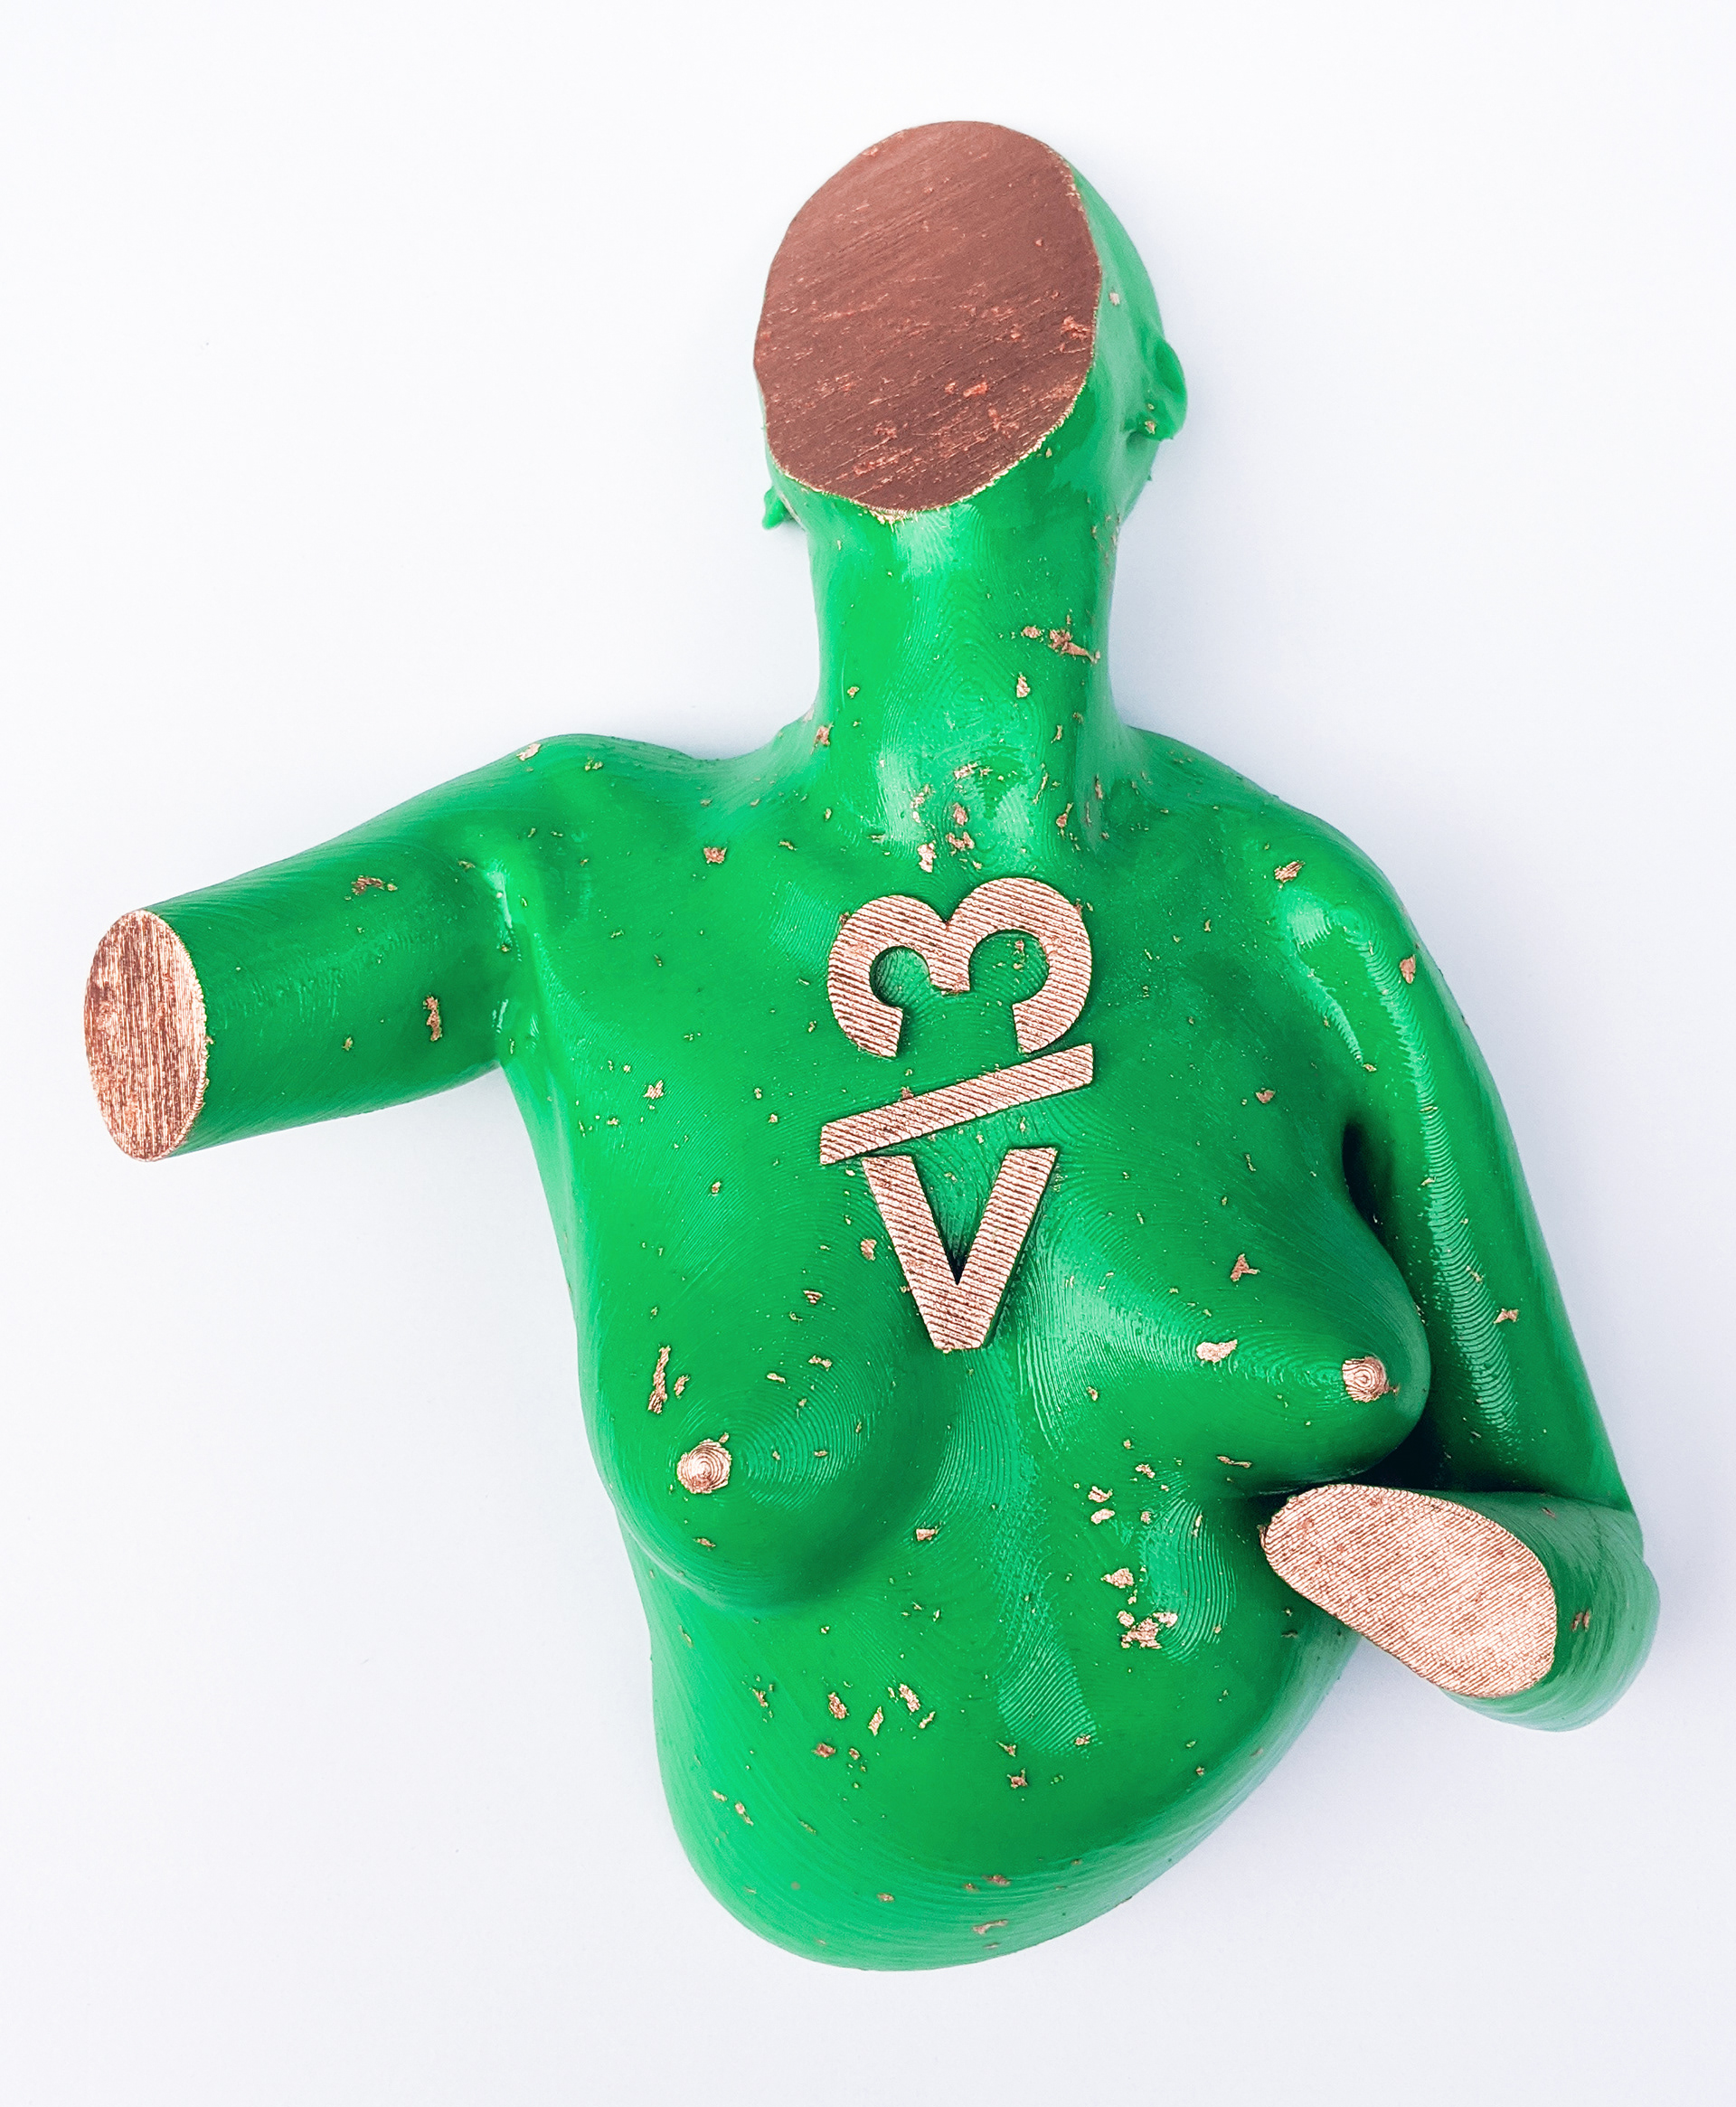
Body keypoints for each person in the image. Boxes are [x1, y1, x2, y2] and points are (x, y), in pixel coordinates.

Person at [84, 120, 1656, 1969]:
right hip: (735, 1944)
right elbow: (171, 1022)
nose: (947, 379)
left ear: (1153, 407)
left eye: (1037, 331)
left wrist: (1494, 1609)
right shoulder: (569, 876)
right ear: (770, 474)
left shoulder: (1289, 914)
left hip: (1324, 1961)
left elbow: (1590, 1572)